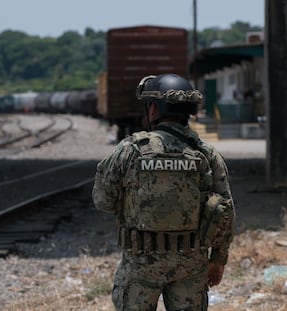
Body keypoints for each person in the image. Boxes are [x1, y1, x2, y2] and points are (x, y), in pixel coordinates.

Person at [92, 73, 235, 311]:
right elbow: (226, 209)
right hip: (191, 262)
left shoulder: (131, 150)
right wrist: (218, 260)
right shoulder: (206, 154)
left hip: (141, 261)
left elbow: (102, 201)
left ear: (154, 110)